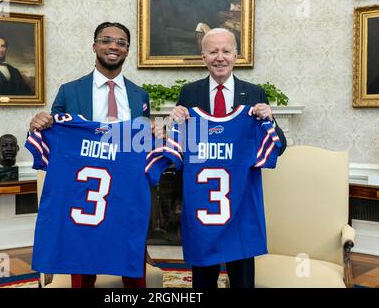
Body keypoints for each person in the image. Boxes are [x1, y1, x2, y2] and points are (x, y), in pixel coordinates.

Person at [28, 22, 150, 288]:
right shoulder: (70, 91)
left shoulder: (140, 95)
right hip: (84, 196)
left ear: (127, 50)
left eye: (121, 42)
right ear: (95, 46)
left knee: (132, 265)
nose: (113, 46)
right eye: (107, 40)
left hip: (125, 195)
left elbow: (142, 147)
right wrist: (40, 122)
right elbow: (55, 133)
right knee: (82, 270)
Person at [166, 28, 287, 288]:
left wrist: (270, 120)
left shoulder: (255, 94)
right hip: (204, 207)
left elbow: (281, 146)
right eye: (213, 51)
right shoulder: (189, 93)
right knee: (203, 279)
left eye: (226, 51)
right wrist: (173, 121)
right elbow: (182, 148)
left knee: (242, 280)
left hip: (241, 205)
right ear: (203, 57)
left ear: (236, 55)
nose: (219, 57)